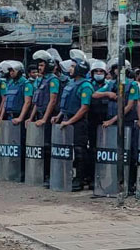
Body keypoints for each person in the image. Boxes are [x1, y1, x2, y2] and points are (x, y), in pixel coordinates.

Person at [94, 59, 140, 194]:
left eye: (119, 68)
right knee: (114, 155)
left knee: (130, 156)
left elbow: (129, 106)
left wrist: (112, 121)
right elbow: (95, 94)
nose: (117, 71)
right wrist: (108, 93)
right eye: (115, 68)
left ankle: (130, 185)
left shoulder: (133, 85)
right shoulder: (111, 84)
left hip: (127, 124)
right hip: (113, 126)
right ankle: (115, 183)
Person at [51, 57, 93, 191]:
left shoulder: (86, 86)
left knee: (79, 151)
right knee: (66, 151)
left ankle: (81, 179)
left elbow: (84, 108)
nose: (70, 69)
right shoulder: (70, 83)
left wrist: (70, 121)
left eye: (73, 66)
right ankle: (67, 176)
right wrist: (58, 116)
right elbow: (65, 105)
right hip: (67, 120)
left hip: (78, 123)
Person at [26, 50, 60, 186]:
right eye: (38, 65)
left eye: (42, 65)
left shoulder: (53, 80)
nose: (39, 68)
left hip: (49, 117)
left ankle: (49, 176)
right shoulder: (40, 80)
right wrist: (31, 117)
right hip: (39, 116)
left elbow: (52, 101)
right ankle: (42, 174)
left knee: (48, 147)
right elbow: (36, 101)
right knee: (40, 147)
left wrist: (45, 119)